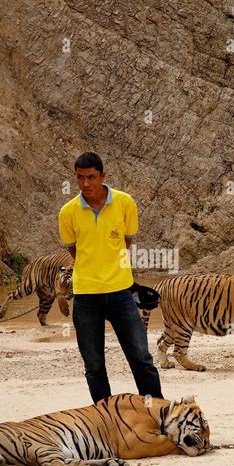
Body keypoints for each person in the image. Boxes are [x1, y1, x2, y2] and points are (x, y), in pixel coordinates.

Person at [58, 152, 163, 403]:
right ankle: (104, 418)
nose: (86, 184)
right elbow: (76, 251)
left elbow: (126, 243)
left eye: (91, 177)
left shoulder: (125, 203)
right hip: (85, 296)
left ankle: (156, 410)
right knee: (93, 364)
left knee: (140, 356)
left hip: (120, 292)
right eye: (80, 178)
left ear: (103, 176)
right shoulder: (68, 212)